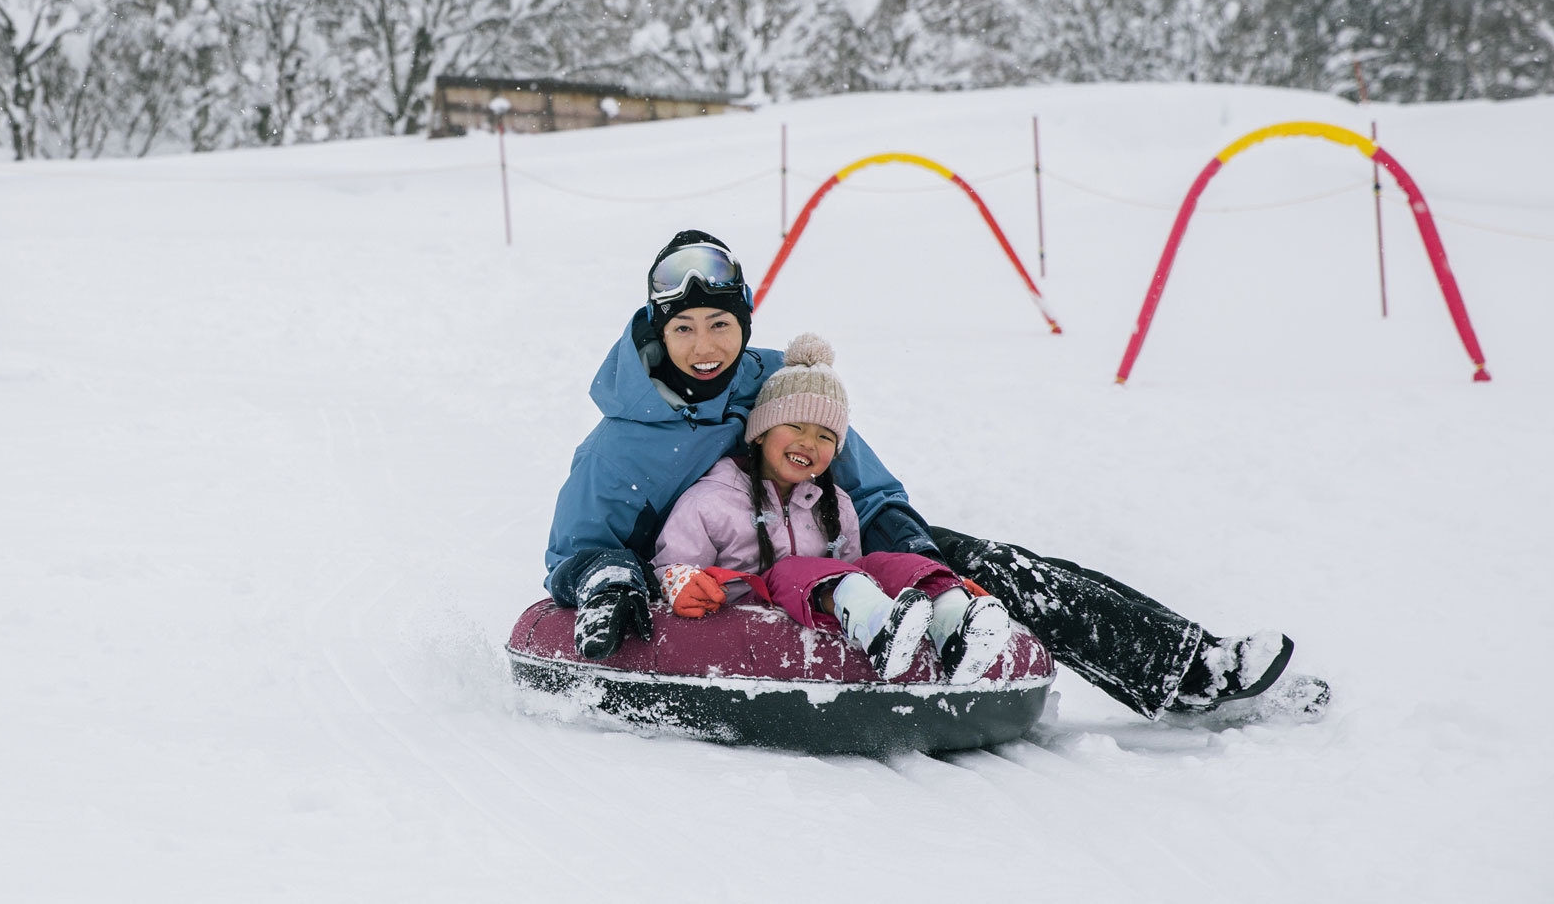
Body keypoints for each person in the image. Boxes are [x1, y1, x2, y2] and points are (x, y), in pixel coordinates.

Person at [543, 229, 1293, 717]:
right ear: (657, 332)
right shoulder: (618, 443)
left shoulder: (776, 382)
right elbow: (575, 549)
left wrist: (920, 554)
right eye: (684, 328)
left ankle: (1189, 665)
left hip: (832, 540)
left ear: (744, 323)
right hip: (729, 579)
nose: (705, 347)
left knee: (995, 565)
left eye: (721, 325)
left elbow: (867, 485)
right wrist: (614, 580)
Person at [652, 333, 1015, 684]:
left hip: (826, 609)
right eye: (795, 425)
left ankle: (952, 616)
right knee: (791, 570)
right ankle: (876, 625)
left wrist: (934, 577)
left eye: (825, 436)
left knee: (880, 564)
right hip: (748, 616)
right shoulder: (712, 499)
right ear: (760, 432)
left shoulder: (836, 505)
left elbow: (857, 567)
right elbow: (671, 563)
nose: (808, 443)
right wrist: (679, 580)